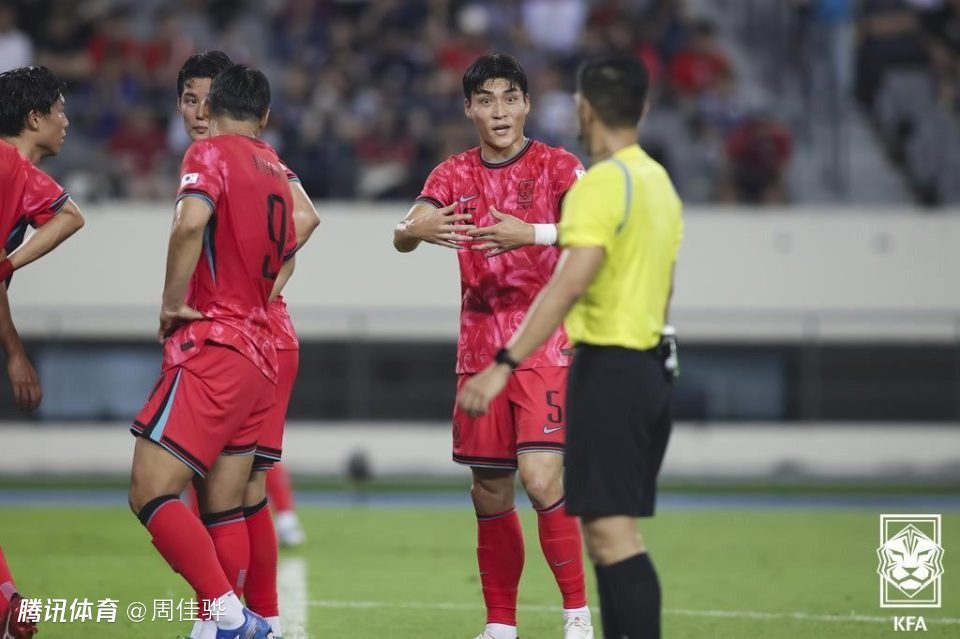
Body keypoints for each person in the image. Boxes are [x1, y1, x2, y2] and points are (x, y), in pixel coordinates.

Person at [458, 55, 683, 639]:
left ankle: (582, 620)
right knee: (614, 533)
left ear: (584, 108)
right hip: (654, 362)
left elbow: (567, 284)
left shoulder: (601, 183)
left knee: (609, 532)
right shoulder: (657, 182)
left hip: (609, 364)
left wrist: (505, 362)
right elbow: (665, 278)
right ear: (643, 109)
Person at [394, 53, 593, 639]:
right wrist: (414, 230)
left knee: (541, 478)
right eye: (486, 100)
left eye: (509, 98)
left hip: (545, 345)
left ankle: (577, 617)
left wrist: (531, 232)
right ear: (469, 109)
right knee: (489, 490)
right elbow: (404, 230)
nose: (499, 111)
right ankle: (501, 624)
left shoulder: (560, 166)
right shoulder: (453, 174)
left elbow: (593, 231)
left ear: (527, 104)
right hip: (479, 349)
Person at [128, 64, 295, 639]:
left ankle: (231, 617)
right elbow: (295, 238)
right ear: (263, 116)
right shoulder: (275, 168)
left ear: (213, 105)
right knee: (227, 505)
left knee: (150, 489)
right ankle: (226, 623)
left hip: (215, 345)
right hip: (260, 350)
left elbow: (189, 223)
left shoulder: (210, 153)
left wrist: (172, 302)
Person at [174, 50, 319, 639]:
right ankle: (255, 618)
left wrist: (254, 292)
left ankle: (228, 619)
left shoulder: (245, 158)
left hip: (246, 335)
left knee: (219, 491)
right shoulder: (243, 160)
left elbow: (306, 216)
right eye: (189, 99)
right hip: (257, 335)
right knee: (238, 491)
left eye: (209, 99)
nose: (199, 111)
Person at [0, 65, 86, 639]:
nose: (66, 121)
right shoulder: (11, 168)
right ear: (34, 118)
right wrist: (16, 354)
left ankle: (7, 603)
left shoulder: (13, 171)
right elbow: (71, 218)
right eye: (59, 111)